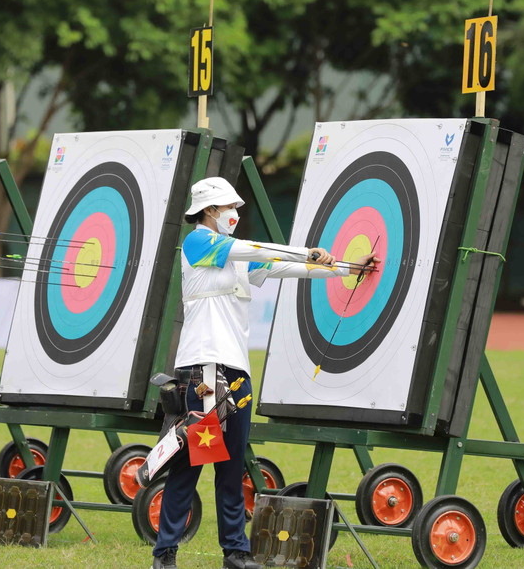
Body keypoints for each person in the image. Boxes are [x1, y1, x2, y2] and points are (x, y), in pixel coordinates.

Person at [151, 178, 377, 569]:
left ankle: (236, 554)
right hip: (205, 370)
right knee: (190, 465)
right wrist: (309, 250)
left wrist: (344, 269)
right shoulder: (199, 242)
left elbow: (284, 266)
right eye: (227, 208)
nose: (233, 214)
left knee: (231, 466)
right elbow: (257, 249)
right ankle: (165, 554)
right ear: (209, 211)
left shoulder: (235, 256)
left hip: (236, 372)